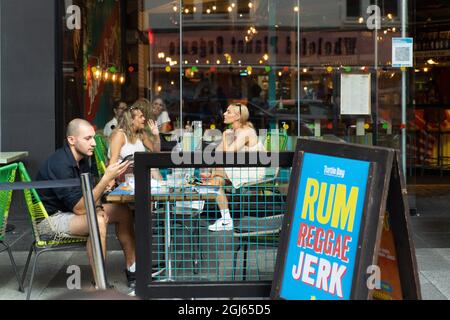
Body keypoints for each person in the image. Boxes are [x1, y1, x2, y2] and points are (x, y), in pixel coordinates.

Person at [36, 119, 137, 288]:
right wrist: (106, 179)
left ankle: (132, 268)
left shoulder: (83, 159)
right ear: (71, 140)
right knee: (97, 222)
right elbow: (80, 208)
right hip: (50, 220)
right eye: (88, 138)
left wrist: (97, 207)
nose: (93, 143)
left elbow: (89, 193)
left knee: (123, 211)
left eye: (93, 138)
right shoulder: (60, 164)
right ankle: (100, 284)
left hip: (73, 212)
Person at [202, 103, 266, 232]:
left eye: (228, 111)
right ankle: (226, 220)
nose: (224, 114)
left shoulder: (246, 131)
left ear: (237, 116)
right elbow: (218, 154)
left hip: (253, 170)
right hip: (240, 168)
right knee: (216, 179)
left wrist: (225, 137)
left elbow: (228, 156)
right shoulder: (234, 131)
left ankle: (225, 219)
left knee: (214, 176)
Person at [109, 102, 161, 179]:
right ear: (131, 120)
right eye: (141, 117)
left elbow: (156, 152)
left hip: (139, 172)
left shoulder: (141, 133)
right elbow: (112, 163)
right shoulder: (119, 135)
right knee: (152, 169)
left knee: (152, 167)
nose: (144, 119)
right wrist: (110, 182)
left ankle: (160, 187)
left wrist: (156, 135)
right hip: (124, 175)